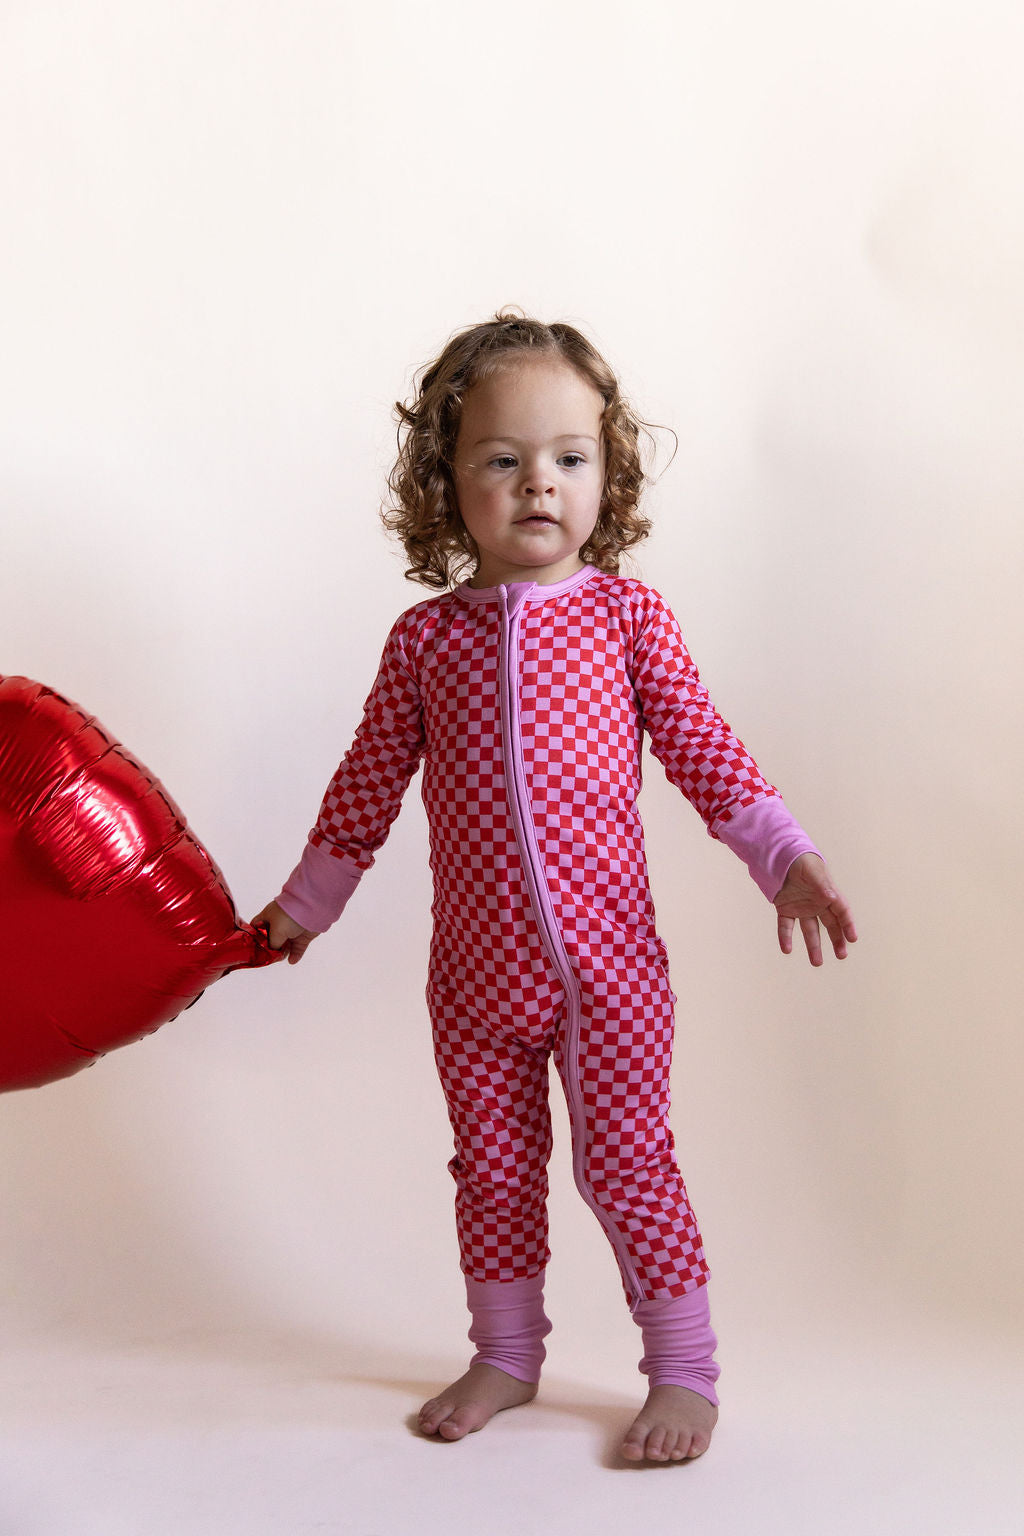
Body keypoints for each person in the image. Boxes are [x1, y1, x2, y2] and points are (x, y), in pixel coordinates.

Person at [254, 312, 857, 1464]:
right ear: (447, 483)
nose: (539, 482)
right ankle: (504, 1353)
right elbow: (364, 787)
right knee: (490, 1171)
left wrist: (783, 855)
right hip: (474, 979)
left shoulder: (626, 619)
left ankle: (683, 1371)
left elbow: (704, 751)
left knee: (627, 1164)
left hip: (609, 975)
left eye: (569, 457)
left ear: (605, 476)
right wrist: (305, 906)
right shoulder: (425, 642)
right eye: (501, 458)